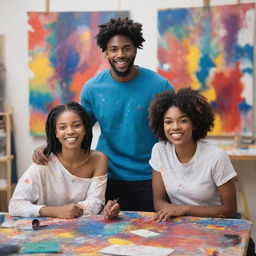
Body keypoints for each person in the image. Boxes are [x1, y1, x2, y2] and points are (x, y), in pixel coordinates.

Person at [33, 17, 173, 211]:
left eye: (127, 48)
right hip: (108, 175)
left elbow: (174, 131)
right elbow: (78, 129)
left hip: (151, 176)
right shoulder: (92, 88)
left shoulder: (160, 86)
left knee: (152, 235)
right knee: (109, 234)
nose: (120, 54)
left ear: (135, 49)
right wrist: (50, 145)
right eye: (114, 49)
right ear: (106, 52)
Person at [9, 102, 116, 219]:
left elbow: (96, 201)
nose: (70, 131)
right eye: (62, 127)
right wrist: (54, 211)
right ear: (56, 133)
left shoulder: (99, 159)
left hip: (84, 230)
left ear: (85, 129)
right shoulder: (43, 163)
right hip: (46, 231)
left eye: (76, 125)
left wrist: (73, 210)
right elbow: (15, 205)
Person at [148, 88, 238, 220]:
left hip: (216, 226)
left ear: (194, 124)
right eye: (168, 122)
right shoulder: (159, 151)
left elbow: (230, 210)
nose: (175, 127)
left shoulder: (216, 156)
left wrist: (185, 209)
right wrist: (178, 212)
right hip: (180, 226)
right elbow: (158, 203)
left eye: (183, 120)